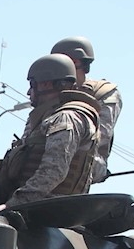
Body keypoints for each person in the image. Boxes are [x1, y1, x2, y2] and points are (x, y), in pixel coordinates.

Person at [0, 53, 100, 210]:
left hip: (47, 213)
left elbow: (53, 171)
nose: (28, 92)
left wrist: (13, 205)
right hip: (33, 210)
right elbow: (16, 174)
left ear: (46, 85)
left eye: (33, 85)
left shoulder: (66, 117)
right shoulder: (46, 119)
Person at [51, 36, 124, 183]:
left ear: (76, 62)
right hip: (51, 158)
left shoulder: (104, 93)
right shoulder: (52, 91)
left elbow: (98, 139)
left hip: (86, 161)